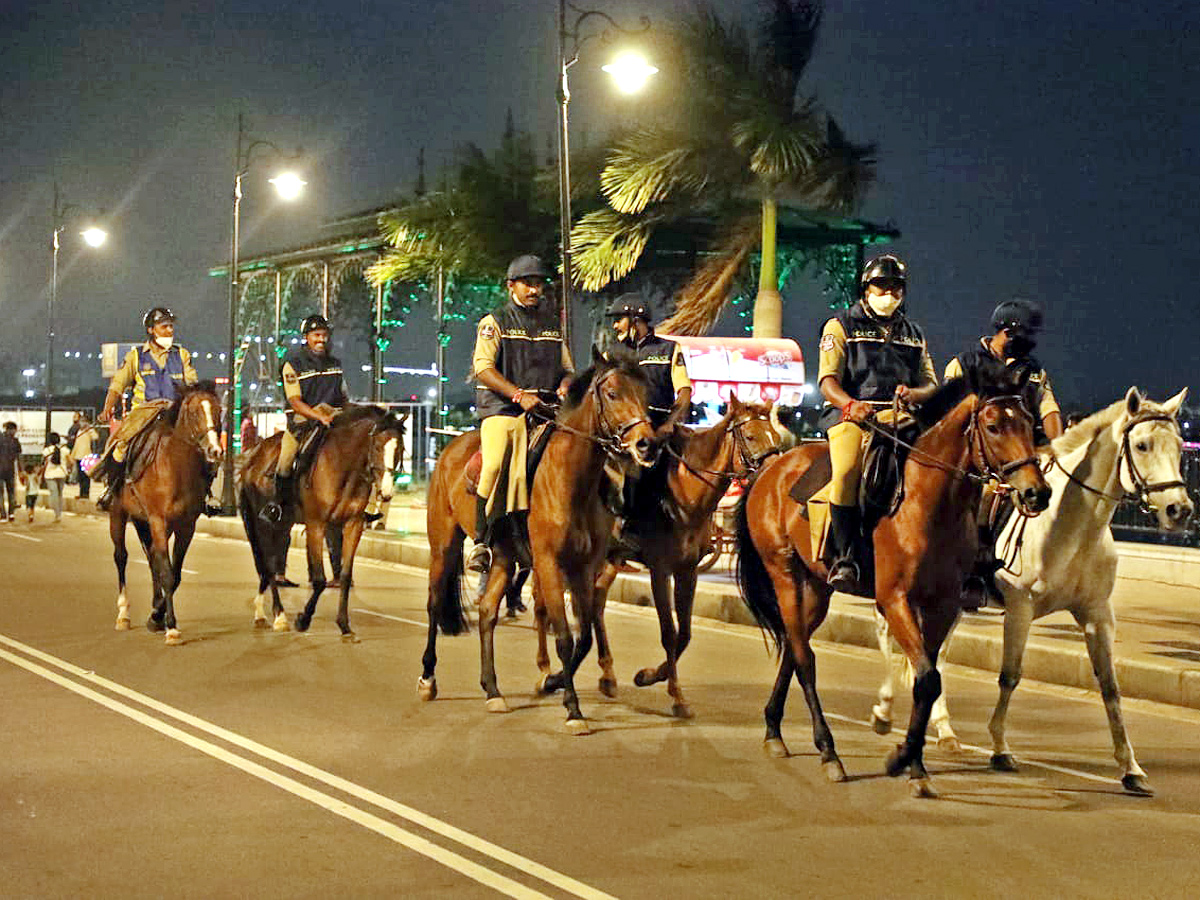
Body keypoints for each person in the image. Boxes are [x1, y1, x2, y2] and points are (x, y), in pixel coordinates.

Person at [816, 254, 938, 594]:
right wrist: (851, 404)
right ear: (865, 288)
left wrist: (914, 392)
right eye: (881, 285)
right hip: (852, 416)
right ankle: (845, 556)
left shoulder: (914, 334)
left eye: (896, 286)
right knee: (847, 471)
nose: (889, 292)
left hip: (901, 416)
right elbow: (827, 380)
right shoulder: (840, 326)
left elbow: (931, 382)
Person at [944, 298, 1063, 608]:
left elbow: (1049, 410)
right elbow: (949, 418)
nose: (1031, 343)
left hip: (1023, 451)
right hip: (979, 456)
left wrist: (1060, 449)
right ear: (1007, 332)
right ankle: (976, 571)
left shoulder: (1034, 370)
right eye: (1026, 336)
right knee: (986, 495)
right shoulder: (964, 364)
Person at [467, 254, 573, 572]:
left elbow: (568, 369)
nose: (534, 289)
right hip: (504, 409)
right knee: (496, 462)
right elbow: (482, 368)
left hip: (547, 409)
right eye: (528, 283)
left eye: (539, 283)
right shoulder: (493, 322)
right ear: (511, 285)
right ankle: (481, 541)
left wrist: (566, 386)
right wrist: (518, 395)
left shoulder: (553, 325)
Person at [602, 294, 692, 550]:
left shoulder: (670, 349)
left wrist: (669, 424)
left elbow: (684, 392)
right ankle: (620, 529)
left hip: (661, 428)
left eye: (619, 320)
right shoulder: (612, 353)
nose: (615, 326)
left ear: (635, 320)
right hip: (626, 432)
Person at [94, 307, 199, 511]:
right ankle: (112, 489)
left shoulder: (182, 354)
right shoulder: (135, 357)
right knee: (121, 445)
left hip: (175, 412)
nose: (170, 330)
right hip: (144, 412)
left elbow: (192, 383)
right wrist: (107, 408)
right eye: (164, 326)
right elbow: (118, 384)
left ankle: (205, 495)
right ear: (151, 330)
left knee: (202, 446)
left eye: (171, 326)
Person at [260, 314, 350, 523]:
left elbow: (344, 395)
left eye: (324, 335)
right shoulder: (292, 365)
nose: (321, 339)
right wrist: (318, 416)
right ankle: (277, 505)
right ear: (307, 337)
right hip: (303, 423)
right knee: (286, 460)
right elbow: (294, 401)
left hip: (334, 421)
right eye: (316, 335)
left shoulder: (335, 364)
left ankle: (364, 504)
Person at [41, 432, 68, 523]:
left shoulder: (47, 451)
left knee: (54, 494)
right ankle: (59, 514)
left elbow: (44, 464)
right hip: (62, 473)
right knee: (60, 494)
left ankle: (56, 514)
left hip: (50, 474)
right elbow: (71, 461)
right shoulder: (64, 450)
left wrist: (41, 474)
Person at [71, 417, 99, 500]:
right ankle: (81, 493)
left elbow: (95, 437)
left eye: (83, 421)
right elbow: (76, 444)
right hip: (78, 456)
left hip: (86, 456)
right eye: (81, 422)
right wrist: (73, 455)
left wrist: (89, 429)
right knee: (80, 476)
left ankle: (86, 493)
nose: (82, 423)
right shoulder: (79, 431)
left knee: (86, 476)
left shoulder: (89, 431)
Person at [0, 421, 20, 522]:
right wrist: (21, 471)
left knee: (0, 493)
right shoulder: (15, 441)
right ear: (11, 429)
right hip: (10, 470)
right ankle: (11, 513)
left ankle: (3, 514)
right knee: (11, 492)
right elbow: (18, 457)